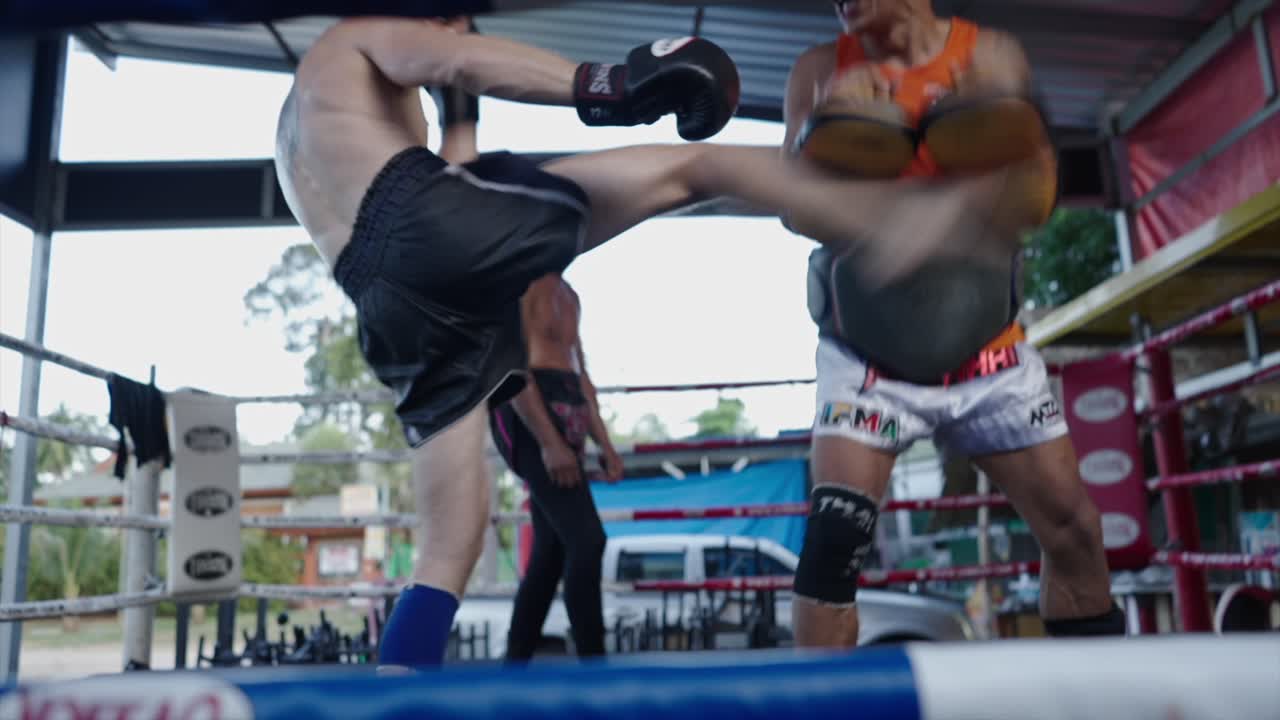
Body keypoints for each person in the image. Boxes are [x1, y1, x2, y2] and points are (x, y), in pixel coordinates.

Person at [275, 13, 1033, 668]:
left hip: (385, 301)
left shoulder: (312, 122)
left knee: (449, 545)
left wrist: (458, 110)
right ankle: (907, 219)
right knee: (698, 166)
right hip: (417, 223)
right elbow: (461, 59)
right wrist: (612, 84)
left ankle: (394, 695)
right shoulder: (355, 37)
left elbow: (456, 179)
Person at [783, 0, 1125, 648]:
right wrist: (835, 132)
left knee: (1075, 531)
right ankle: (820, 698)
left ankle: (1092, 691)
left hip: (990, 358)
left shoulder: (990, 54)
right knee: (835, 540)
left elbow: (1037, 201)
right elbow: (796, 214)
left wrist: (991, 126)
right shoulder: (819, 71)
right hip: (869, 365)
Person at [490, 273, 624, 661]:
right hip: (528, 409)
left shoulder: (570, 295)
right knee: (588, 540)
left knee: (550, 554)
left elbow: (582, 376)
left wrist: (605, 445)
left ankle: (515, 665)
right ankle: (594, 665)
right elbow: (510, 369)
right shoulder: (516, 283)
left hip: (567, 405)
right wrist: (549, 442)